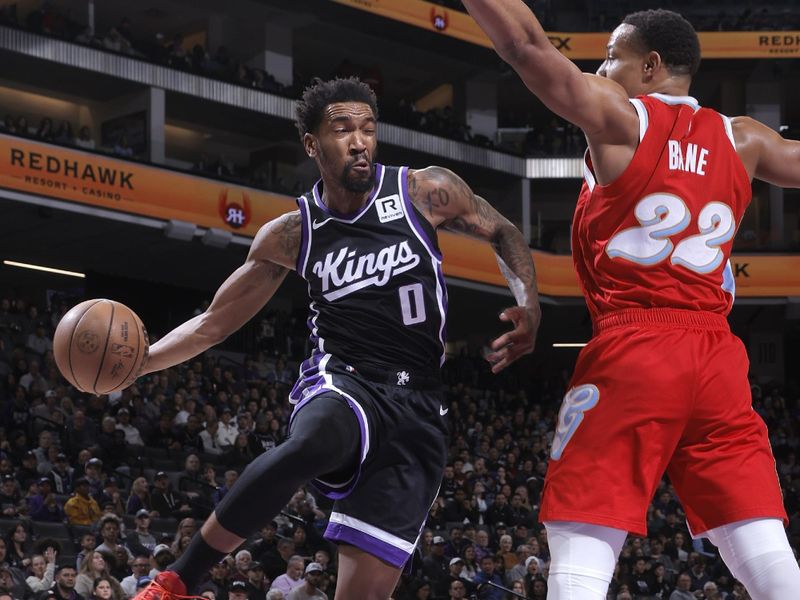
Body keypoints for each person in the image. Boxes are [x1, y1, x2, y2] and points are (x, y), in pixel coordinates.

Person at [132, 76, 539, 600]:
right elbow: (214, 322)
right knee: (314, 442)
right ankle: (176, 580)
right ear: (312, 144)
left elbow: (503, 229)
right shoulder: (293, 233)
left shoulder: (423, 190)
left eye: (368, 128)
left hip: (419, 408)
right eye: (342, 129)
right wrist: (145, 362)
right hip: (345, 379)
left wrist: (528, 304)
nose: (359, 140)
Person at [462, 2, 800, 599]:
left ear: (651, 66)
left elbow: (525, 49)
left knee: (582, 525)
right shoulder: (744, 138)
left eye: (612, 56)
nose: (601, 66)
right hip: (718, 356)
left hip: (637, 341)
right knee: (755, 532)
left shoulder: (621, 118)